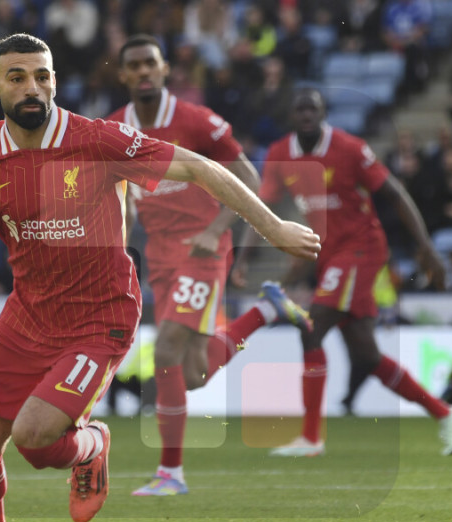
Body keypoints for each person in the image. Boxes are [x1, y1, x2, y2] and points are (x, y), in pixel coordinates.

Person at [0, 34, 319, 522]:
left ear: (54, 82)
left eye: (42, 76)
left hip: (99, 315)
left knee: (35, 439)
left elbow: (200, 167)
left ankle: (91, 444)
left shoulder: (97, 139)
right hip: (28, 314)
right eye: (17, 77)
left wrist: (272, 228)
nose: (32, 87)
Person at [107, 35, 312, 497]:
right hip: (161, 256)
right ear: (123, 75)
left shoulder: (197, 121)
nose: (143, 72)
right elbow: (123, 198)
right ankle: (266, 311)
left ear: (164, 69)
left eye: (150, 63)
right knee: (194, 375)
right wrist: (120, 248)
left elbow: (249, 177)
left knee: (165, 352)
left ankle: (170, 473)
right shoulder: (115, 129)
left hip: (202, 251)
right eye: (134, 66)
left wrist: (217, 229)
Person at [235, 89, 452, 457]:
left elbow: (395, 193)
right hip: (329, 255)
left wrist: (426, 248)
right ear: (292, 116)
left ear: (323, 113)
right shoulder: (280, 154)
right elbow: (261, 209)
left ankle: (311, 437)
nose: (307, 115)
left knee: (312, 328)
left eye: (313, 109)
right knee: (367, 356)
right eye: (300, 109)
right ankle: (446, 414)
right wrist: (243, 258)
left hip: (362, 248)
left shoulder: (349, 148)